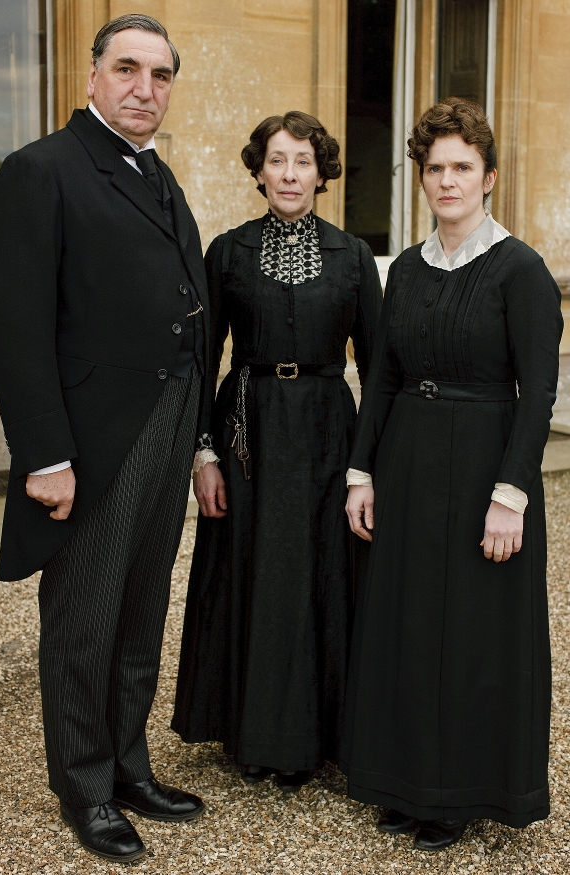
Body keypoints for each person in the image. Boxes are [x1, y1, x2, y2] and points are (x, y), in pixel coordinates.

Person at [0, 14, 208, 864]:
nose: (144, 89)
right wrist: (45, 456)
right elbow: (13, 327)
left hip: (167, 423)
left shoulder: (157, 173)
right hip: (90, 440)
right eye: (127, 69)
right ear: (91, 76)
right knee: (84, 622)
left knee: (141, 612)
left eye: (160, 74)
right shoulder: (41, 170)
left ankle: (127, 765)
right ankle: (83, 787)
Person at [342, 97, 563, 851]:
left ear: (488, 177)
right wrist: (360, 471)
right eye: (434, 168)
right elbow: (380, 376)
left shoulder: (521, 270)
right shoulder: (404, 269)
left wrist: (511, 495)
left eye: (462, 167)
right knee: (406, 620)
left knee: (470, 630)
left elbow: (538, 391)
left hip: (482, 468)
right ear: (421, 178)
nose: (447, 181)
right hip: (406, 460)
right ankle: (402, 779)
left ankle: (458, 791)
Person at [172, 111, 382, 789]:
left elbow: (378, 369)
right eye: (277, 160)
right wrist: (203, 454)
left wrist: (366, 466)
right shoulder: (227, 252)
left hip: (328, 431)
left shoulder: (353, 256)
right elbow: (203, 359)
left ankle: (320, 736)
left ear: (322, 173)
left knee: (322, 574)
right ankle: (253, 733)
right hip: (248, 431)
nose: (290, 174)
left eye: (303, 161)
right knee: (254, 571)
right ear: (259, 171)